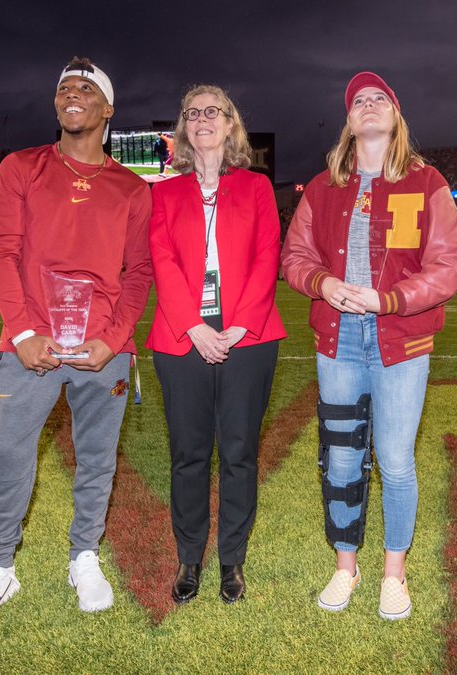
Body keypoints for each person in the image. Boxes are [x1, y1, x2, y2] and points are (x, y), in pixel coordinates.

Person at [0, 57, 153, 627]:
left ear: (107, 108)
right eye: (65, 87)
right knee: (9, 456)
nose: (73, 93)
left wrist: (112, 339)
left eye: (86, 88)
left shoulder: (132, 189)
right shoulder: (20, 168)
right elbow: (1, 253)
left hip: (102, 350)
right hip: (29, 344)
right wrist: (22, 333)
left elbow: (139, 274)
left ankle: (84, 556)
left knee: (96, 459)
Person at [281, 71, 457, 621]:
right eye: (357, 100)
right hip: (337, 339)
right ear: (348, 121)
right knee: (340, 458)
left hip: (401, 340)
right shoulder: (321, 188)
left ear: (395, 114)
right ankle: (346, 566)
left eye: (378, 99)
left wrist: (390, 300)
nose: (367, 106)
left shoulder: (427, 181)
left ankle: (393, 572)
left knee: (395, 460)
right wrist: (324, 285)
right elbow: (295, 259)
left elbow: (451, 263)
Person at [147, 85, 286, 605]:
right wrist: (194, 326)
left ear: (230, 125)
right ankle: (190, 558)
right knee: (187, 455)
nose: (203, 119)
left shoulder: (255, 188)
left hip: (248, 337)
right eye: (192, 113)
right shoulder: (162, 193)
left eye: (213, 111)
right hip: (182, 337)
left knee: (239, 453)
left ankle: (232, 560)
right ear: (183, 127)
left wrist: (239, 325)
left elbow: (266, 256)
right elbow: (163, 261)